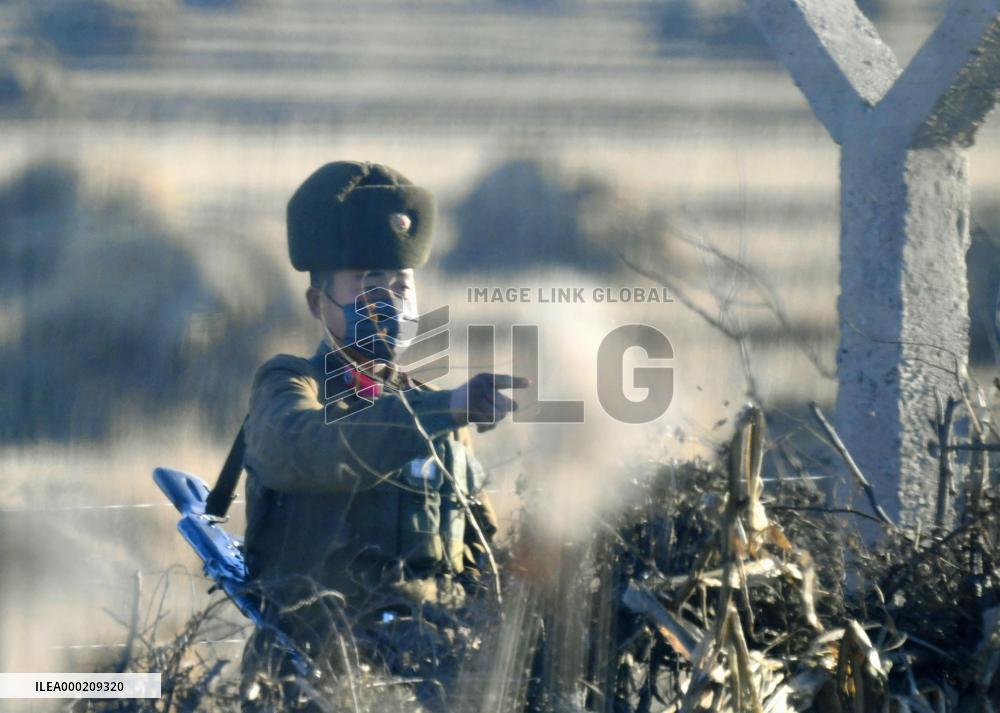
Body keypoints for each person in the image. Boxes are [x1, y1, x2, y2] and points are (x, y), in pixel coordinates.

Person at [238, 160, 528, 712]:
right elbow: (304, 448)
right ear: (318, 303)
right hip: (312, 680)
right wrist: (443, 409)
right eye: (368, 283)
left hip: (430, 678)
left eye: (400, 286)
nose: (388, 303)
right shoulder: (291, 384)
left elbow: (479, 559)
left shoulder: (434, 408)